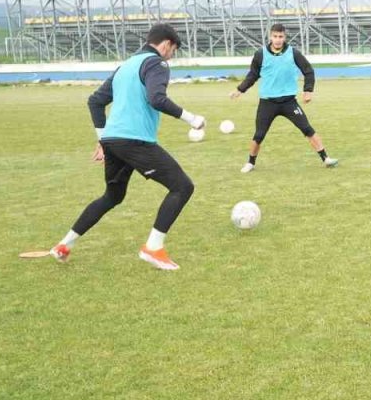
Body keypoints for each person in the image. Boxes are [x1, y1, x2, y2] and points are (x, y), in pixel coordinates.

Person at [50, 24, 205, 271]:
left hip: (113, 140)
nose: (171, 56)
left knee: (113, 196)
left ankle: (63, 245)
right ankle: (153, 248)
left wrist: (103, 139)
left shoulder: (126, 66)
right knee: (182, 187)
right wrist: (192, 118)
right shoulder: (157, 64)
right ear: (166, 44)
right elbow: (157, 99)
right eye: (173, 50)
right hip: (134, 141)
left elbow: (95, 101)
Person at [230, 23, 337, 172]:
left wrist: (308, 90)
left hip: (289, 102)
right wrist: (240, 90)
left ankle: (326, 158)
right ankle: (250, 163)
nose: (278, 40)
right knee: (259, 135)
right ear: (270, 37)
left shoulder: (294, 53)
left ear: (284, 37)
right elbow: (253, 75)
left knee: (307, 129)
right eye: (275, 36)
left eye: (281, 37)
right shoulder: (260, 54)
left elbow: (308, 71)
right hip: (267, 102)